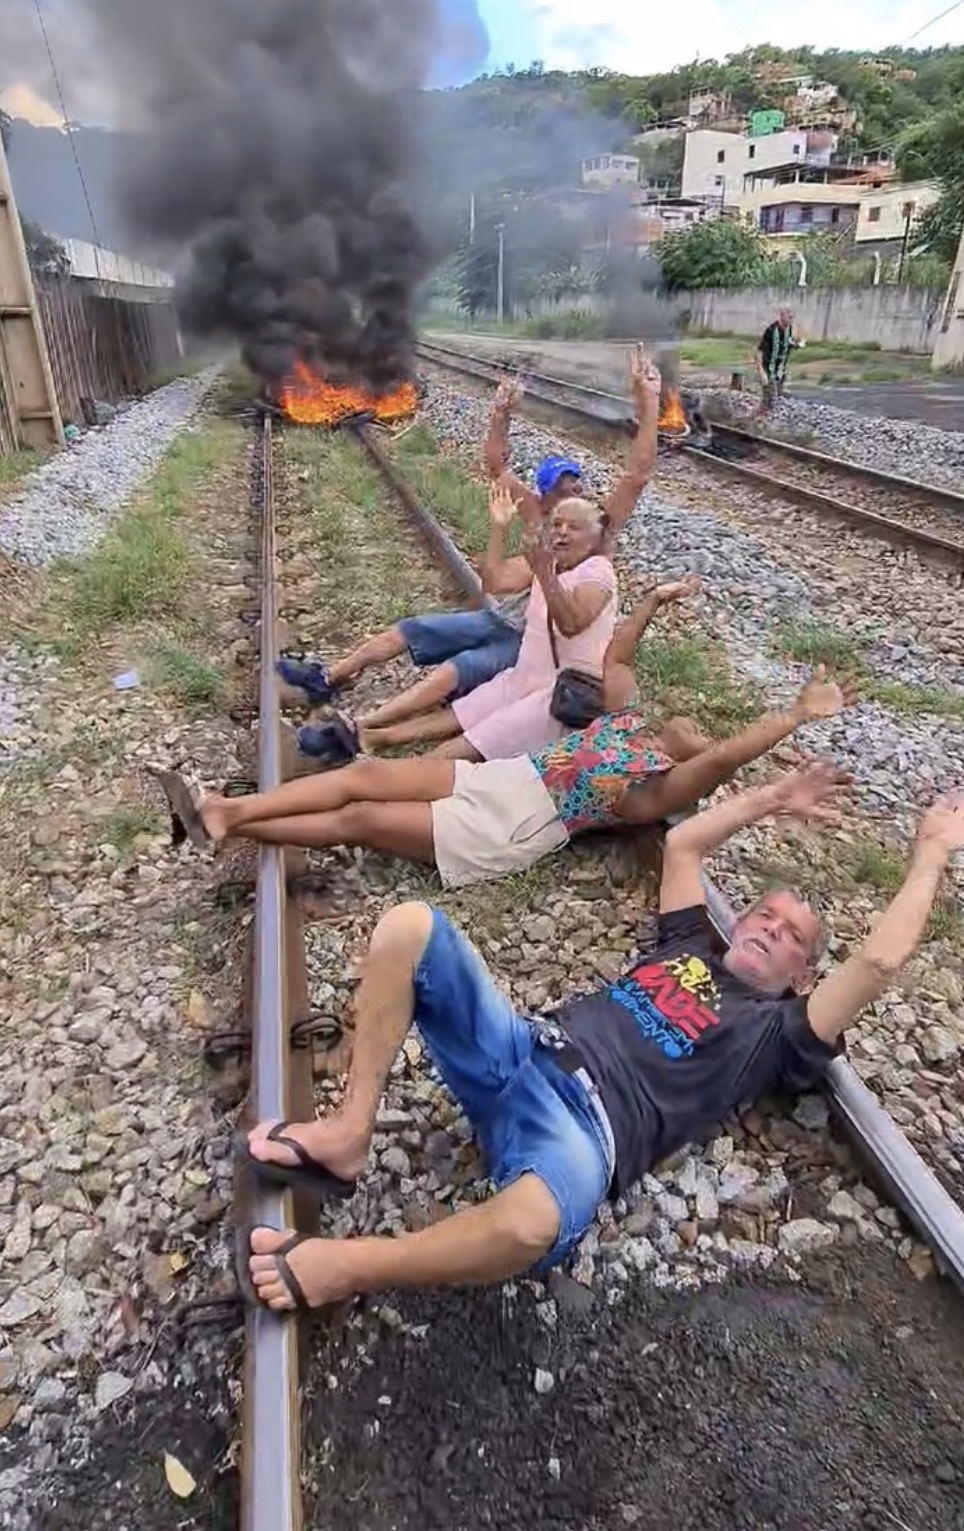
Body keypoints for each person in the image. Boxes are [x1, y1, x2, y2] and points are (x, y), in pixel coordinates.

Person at [239, 779, 964, 1312]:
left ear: (803, 975)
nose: (773, 926)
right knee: (408, 925)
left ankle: (355, 1265)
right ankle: (347, 1133)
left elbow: (877, 963)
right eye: (765, 913)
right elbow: (682, 845)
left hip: (586, 1131)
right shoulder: (690, 945)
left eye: (793, 935)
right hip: (523, 1049)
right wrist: (773, 797)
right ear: (737, 921)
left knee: (534, 1221)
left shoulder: (778, 1031)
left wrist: (931, 851)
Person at [149, 662, 856, 889]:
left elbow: (723, 758)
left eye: (698, 739)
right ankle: (226, 810)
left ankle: (229, 818)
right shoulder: (623, 724)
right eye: (692, 726)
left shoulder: (650, 789)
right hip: (502, 779)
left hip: (515, 824)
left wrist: (792, 715)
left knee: (360, 819)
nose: (695, 729)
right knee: (364, 773)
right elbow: (620, 652)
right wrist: (657, 596)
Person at [285, 345, 661, 760]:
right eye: (562, 493)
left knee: (455, 677)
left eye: (577, 493)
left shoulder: (594, 542)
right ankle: (331, 680)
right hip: (506, 626)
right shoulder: (539, 523)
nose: (571, 500)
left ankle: (365, 731)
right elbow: (496, 478)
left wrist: (649, 405)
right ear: (546, 493)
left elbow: (636, 476)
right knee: (413, 630)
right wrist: (500, 418)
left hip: (530, 651)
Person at [318, 484, 619, 762]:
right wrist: (499, 528)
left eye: (574, 527)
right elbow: (493, 581)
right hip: (524, 675)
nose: (562, 532)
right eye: (556, 524)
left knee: (476, 739)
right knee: (462, 713)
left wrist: (544, 572)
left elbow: (572, 623)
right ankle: (372, 735)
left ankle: (393, 774)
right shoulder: (548, 561)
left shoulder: (597, 571)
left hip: (559, 690)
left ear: (595, 536)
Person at [756, 307, 804, 413]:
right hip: (769, 369)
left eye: (792, 317)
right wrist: (762, 372)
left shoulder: (789, 329)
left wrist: (796, 345)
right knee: (769, 398)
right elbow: (760, 351)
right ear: (782, 316)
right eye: (789, 317)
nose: (791, 320)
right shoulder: (771, 330)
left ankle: (767, 417)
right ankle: (761, 419)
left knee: (777, 397)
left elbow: (787, 343)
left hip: (780, 370)